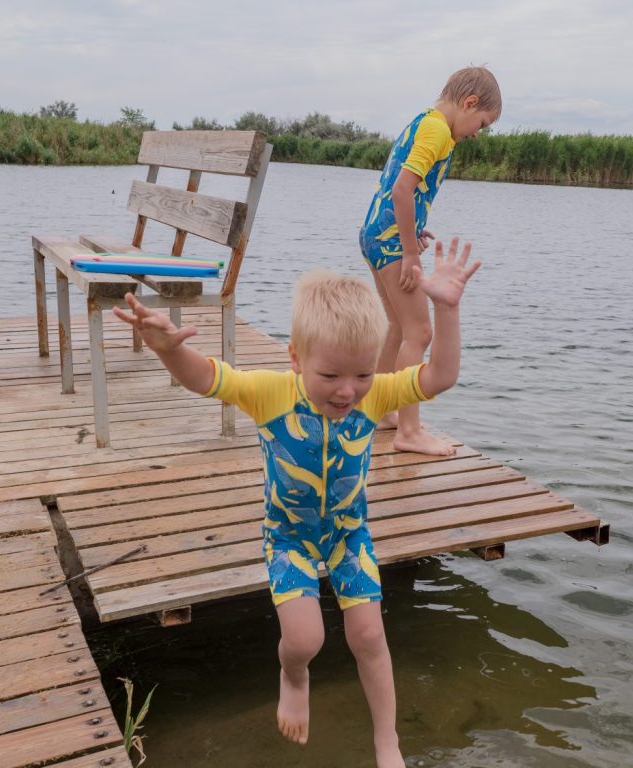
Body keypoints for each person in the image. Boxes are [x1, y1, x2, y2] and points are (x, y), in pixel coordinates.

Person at [112, 238, 481, 768]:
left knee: (370, 635)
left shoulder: (375, 394)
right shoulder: (270, 392)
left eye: (362, 375)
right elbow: (206, 378)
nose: (348, 392)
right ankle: (293, 675)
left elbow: (440, 376)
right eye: (330, 375)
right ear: (296, 358)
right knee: (304, 640)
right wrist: (169, 347)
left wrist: (445, 310)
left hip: (350, 535)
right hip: (288, 538)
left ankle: (387, 740)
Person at [359, 65, 501, 456]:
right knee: (419, 333)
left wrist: (414, 230)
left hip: (375, 234)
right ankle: (409, 429)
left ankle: (379, 408)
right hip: (390, 244)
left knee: (396, 326)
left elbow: (399, 191)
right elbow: (403, 191)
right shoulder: (438, 130)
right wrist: (407, 250)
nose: (477, 133)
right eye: (482, 123)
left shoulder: (424, 122)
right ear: (469, 103)